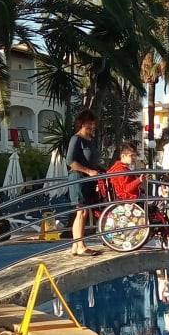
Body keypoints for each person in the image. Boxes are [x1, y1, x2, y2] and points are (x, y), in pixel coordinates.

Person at [67, 109, 102, 255]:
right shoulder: (76, 139)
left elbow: (92, 160)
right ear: (81, 123)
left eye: (93, 124)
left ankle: (76, 245)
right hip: (78, 178)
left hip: (88, 180)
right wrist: (88, 171)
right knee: (81, 211)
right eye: (89, 123)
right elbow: (70, 161)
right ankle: (80, 245)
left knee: (83, 212)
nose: (92, 126)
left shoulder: (90, 141)